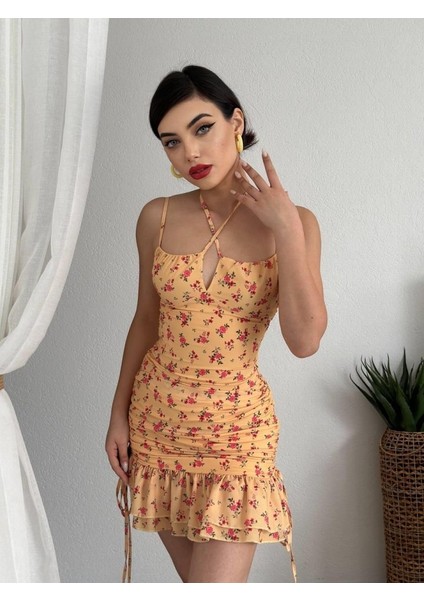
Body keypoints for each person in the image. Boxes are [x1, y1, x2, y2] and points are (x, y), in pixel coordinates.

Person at [105, 65, 327, 584]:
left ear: (236, 122)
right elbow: (145, 321)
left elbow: (305, 341)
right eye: (172, 142)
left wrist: (286, 232)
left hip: (237, 434)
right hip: (158, 426)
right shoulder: (156, 216)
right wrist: (118, 415)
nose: (190, 153)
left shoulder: (299, 223)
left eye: (202, 128)